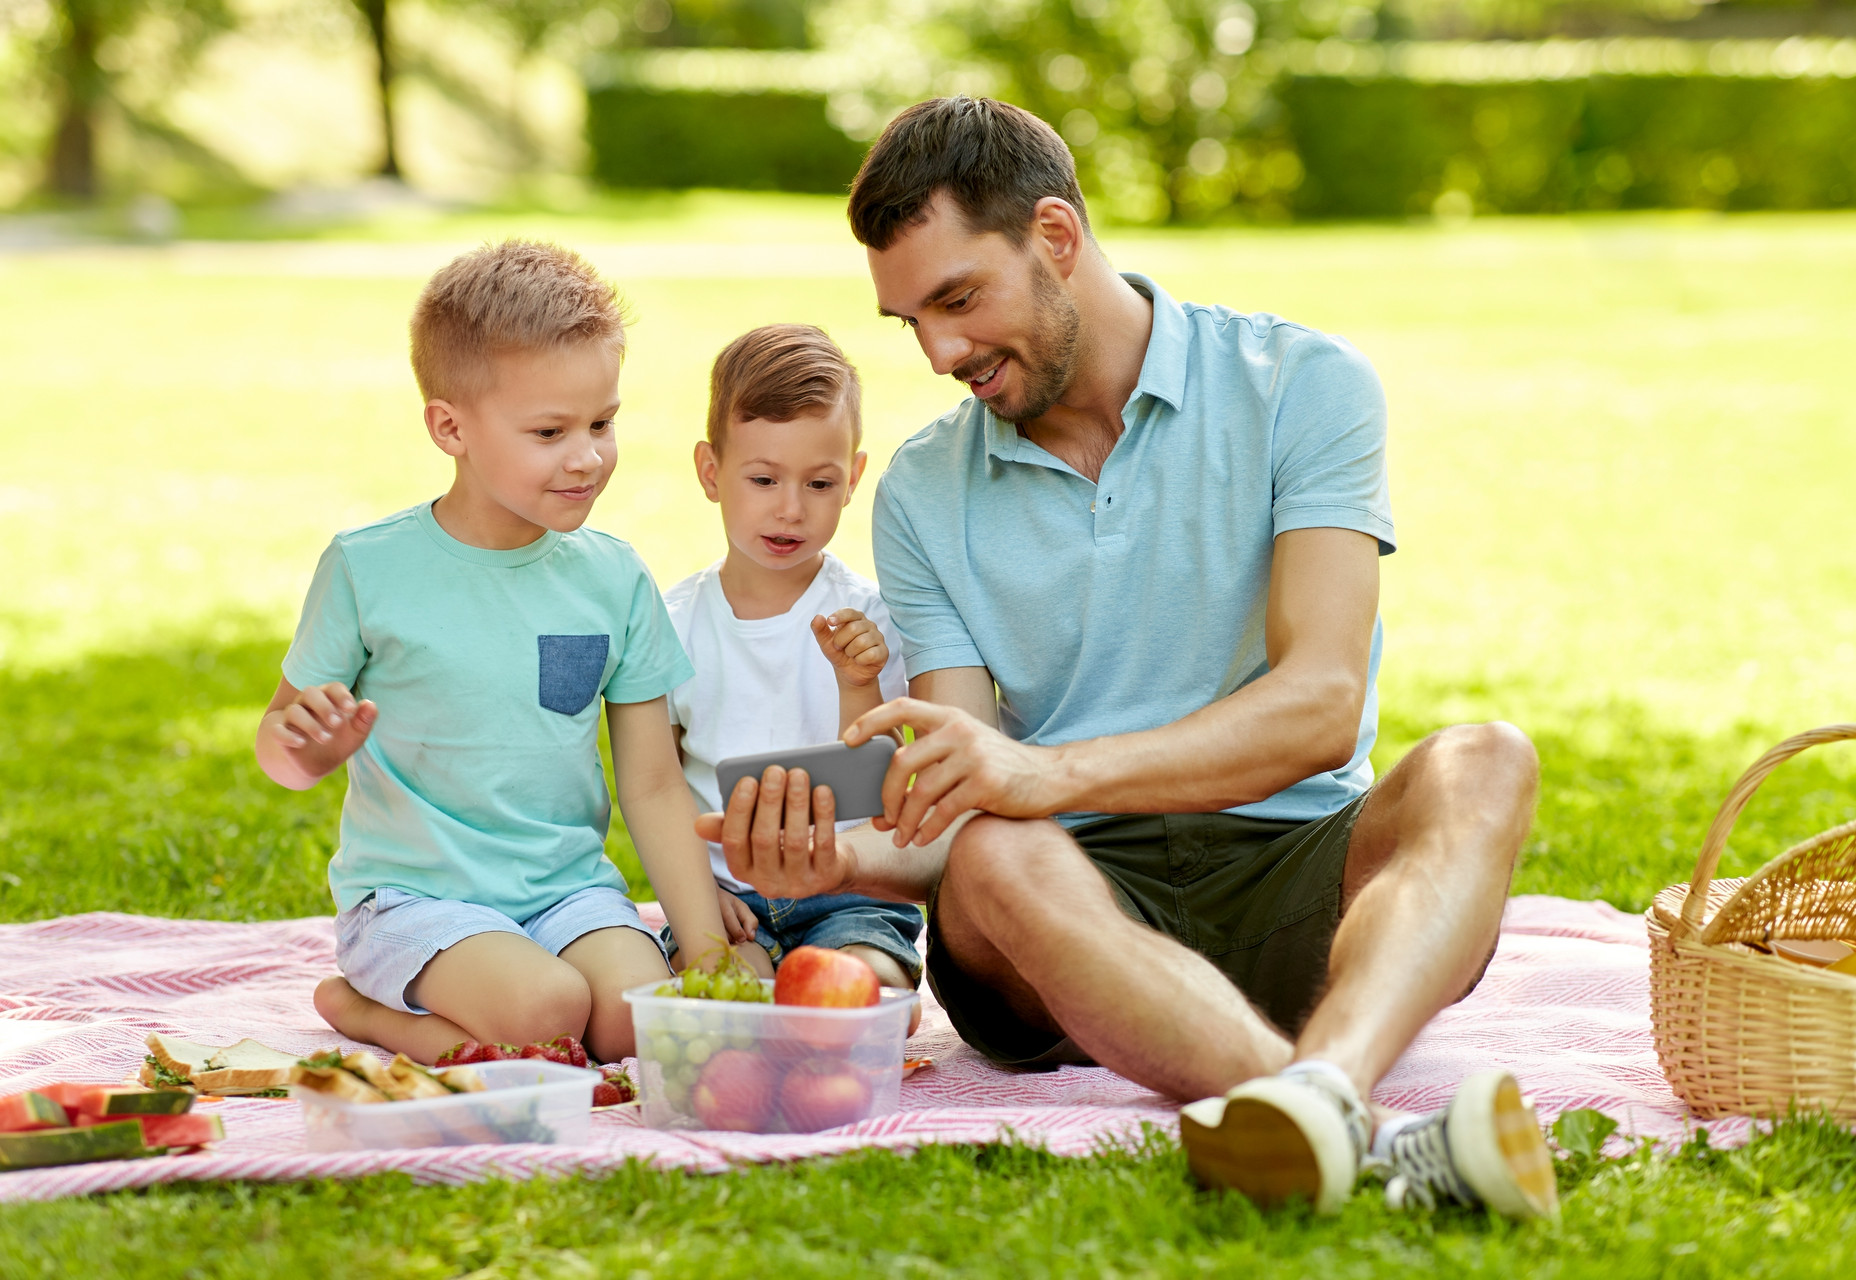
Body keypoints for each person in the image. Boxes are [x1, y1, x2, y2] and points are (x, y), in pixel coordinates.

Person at [700, 97, 1559, 1220]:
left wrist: (1045, 773)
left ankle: (1320, 1105)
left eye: (959, 298)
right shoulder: (920, 487)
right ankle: (1383, 1135)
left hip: (1295, 868)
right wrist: (845, 861)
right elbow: (959, 804)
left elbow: (1320, 706)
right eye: (909, 319)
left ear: (1056, 237)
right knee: (999, 853)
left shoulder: (1304, 384)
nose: (941, 351)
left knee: (1486, 758)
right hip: (1062, 920)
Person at [255, 240, 726, 1067]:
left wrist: (707, 948)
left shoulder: (613, 577)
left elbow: (651, 783)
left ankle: (495, 1002)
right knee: (548, 1008)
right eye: (550, 431)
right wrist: (308, 749)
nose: (587, 456)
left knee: (635, 1019)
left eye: (603, 423)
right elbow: (280, 750)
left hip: (566, 894)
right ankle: (370, 1011)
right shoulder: (368, 567)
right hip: (414, 901)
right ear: (450, 427)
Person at [662, 324, 924, 1002]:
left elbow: (877, 785)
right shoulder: (675, 623)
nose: (789, 508)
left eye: (818, 482)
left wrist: (856, 682)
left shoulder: (868, 617)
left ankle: (835, 996)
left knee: (875, 995)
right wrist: (697, 901)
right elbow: (657, 786)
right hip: (728, 901)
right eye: (763, 479)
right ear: (711, 472)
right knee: (728, 1006)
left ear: (853, 479)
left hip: (847, 896)